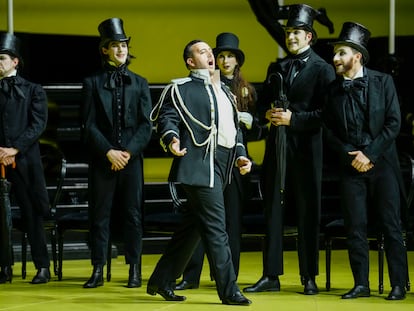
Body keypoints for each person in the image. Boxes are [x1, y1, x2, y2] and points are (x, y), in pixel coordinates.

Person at [148, 39, 252, 306]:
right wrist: (172, 139)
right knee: (217, 228)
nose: (210, 54)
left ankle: (162, 280)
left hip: (222, 163)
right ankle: (229, 290)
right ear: (190, 61)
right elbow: (166, 117)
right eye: (202, 51)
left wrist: (241, 155)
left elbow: (234, 129)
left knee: (193, 227)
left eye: (210, 51)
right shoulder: (180, 89)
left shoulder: (226, 92)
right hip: (198, 164)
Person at [243, 4, 335, 295]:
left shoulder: (323, 70)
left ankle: (309, 276)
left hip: (307, 150)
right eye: (288, 32)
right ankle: (271, 274)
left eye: (296, 32)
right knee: (272, 209)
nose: (290, 37)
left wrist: (294, 119)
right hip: (277, 148)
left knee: (308, 211)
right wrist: (266, 115)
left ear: (309, 36)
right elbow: (262, 105)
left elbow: (328, 114)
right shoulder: (277, 67)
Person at [322, 21, 408, 301]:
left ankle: (398, 283)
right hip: (350, 165)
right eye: (335, 54)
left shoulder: (384, 82)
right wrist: (352, 154)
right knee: (354, 226)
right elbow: (328, 130)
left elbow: (393, 124)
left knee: (391, 225)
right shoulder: (332, 90)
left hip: (382, 164)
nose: (335, 58)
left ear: (357, 56)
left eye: (341, 53)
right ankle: (361, 283)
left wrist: (369, 154)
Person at [175, 32, 261, 291]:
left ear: (237, 61)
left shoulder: (245, 89)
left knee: (230, 220)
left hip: (234, 158)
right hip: (206, 159)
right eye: (220, 55)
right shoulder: (206, 83)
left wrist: (249, 123)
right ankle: (192, 275)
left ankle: (226, 276)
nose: (223, 60)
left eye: (229, 56)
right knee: (201, 219)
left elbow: (255, 130)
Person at [82, 18, 152, 289]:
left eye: (123, 45)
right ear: (105, 50)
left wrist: (127, 153)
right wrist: (109, 152)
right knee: (99, 214)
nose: (121, 49)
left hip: (131, 161)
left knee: (133, 214)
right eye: (115, 45)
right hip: (103, 160)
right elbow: (87, 125)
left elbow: (147, 125)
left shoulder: (140, 82)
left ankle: (134, 269)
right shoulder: (92, 83)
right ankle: (98, 268)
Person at [0, 32, 51, 284]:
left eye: (1, 58)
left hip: (25, 162)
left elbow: (37, 124)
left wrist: (13, 149)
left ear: (15, 61)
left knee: (32, 215)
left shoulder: (33, 90)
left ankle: (42, 267)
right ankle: (4, 267)